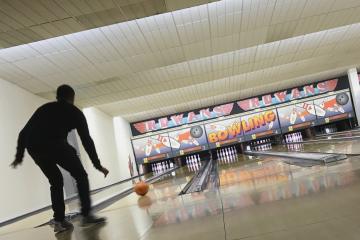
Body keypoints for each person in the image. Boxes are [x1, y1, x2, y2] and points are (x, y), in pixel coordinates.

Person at [10, 84, 110, 233]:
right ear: (72, 97)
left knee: (55, 181)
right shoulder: (75, 112)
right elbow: (86, 140)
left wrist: (19, 157)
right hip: (55, 144)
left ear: (57, 96)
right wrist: (97, 165)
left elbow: (23, 133)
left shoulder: (44, 109)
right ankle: (86, 215)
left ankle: (59, 221)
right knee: (81, 175)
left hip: (34, 148)